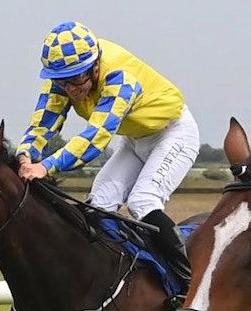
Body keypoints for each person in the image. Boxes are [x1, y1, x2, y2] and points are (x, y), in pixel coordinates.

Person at [17, 21, 196, 274]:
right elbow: (41, 127)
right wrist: (25, 155)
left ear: (95, 65)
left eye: (77, 77)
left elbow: (95, 137)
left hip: (173, 134)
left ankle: (187, 282)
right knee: (99, 205)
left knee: (142, 202)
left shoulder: (120, 77)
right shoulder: (62, 80)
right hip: (134, 141)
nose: (71, 89)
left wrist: (46, 167)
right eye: (62, 81)